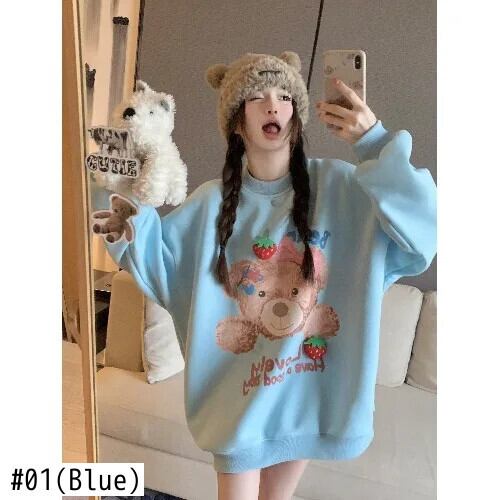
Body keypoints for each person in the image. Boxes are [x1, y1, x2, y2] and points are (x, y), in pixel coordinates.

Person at [98, 51, 437, 500]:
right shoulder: (211, 204)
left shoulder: (341, 188)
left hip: (306, 401)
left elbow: (425, 229)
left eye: (284, 96)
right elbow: (152, 258)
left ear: (296, 115)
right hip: (236, 410)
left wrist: (373, 142)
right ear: (237, 123)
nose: (273, 105)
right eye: (256, 97)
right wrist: (112, 184)